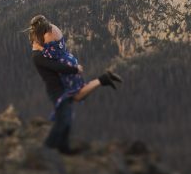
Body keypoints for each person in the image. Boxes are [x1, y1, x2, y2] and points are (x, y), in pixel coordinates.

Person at [28, 14, 121, 153]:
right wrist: (73, 66)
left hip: (59, 83)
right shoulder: (53, 29)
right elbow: (57, 50)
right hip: (67, 65)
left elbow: (56, 67)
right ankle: (63, 147)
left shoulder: (39, 54)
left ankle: (47, 149)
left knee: (63, 119)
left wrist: (74, 69)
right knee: (74, 102)